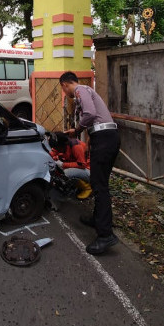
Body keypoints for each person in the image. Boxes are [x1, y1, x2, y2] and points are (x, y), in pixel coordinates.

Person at [59, 71, 120, 255]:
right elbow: (96, 122)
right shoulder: (84, 92)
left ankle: (105, 235)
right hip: (103, 138)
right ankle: (98, 218)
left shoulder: (80, 90)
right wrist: (88, 144)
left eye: (63, 89)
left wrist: (77, 130)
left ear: (65, 84)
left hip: (105, 139)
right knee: (97, 181)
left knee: (99, 186)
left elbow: (90, 114)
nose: (65, 93)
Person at [48, 131, 92, 200]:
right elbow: (52, 153)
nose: (56, 150)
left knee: (65, 173)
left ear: (63, 144)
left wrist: (63, 164)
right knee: (56, 169)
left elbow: (82, 164)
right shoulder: (60, 146)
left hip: (88, 170)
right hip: (79, 168)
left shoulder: (76, 146)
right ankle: (72, 187)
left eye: (57, 148)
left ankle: (87, 188)